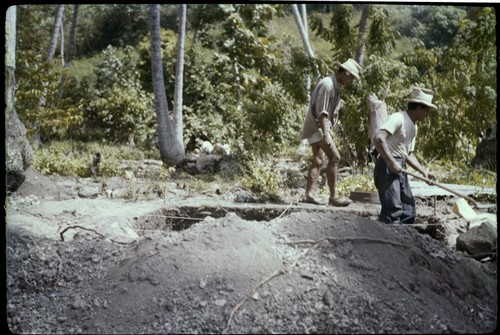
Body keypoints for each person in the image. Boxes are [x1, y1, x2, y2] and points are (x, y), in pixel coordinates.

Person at [300, 58, 362, 207]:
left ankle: (308, 194)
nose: (350, 81)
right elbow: (322, 113)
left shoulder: (333, 85)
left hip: (317, 127)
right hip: (318, 127)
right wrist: (326, 134)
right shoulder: (328, 85)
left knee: (318, 161)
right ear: (346, 73)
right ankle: (333, 197)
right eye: (351, 77)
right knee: (335, 157)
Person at [373, 87, 438, 224]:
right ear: (419, 107)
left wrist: (424, 172)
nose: (428, 114)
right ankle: (388, 241)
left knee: (408, 211)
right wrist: (390, 161)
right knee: (393, 210)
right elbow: (379, 138)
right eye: (427, 110)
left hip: (399, 164)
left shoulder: (413, 127)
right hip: (386, 165)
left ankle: (404, 241)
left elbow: (407, 154)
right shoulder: (398, 118)